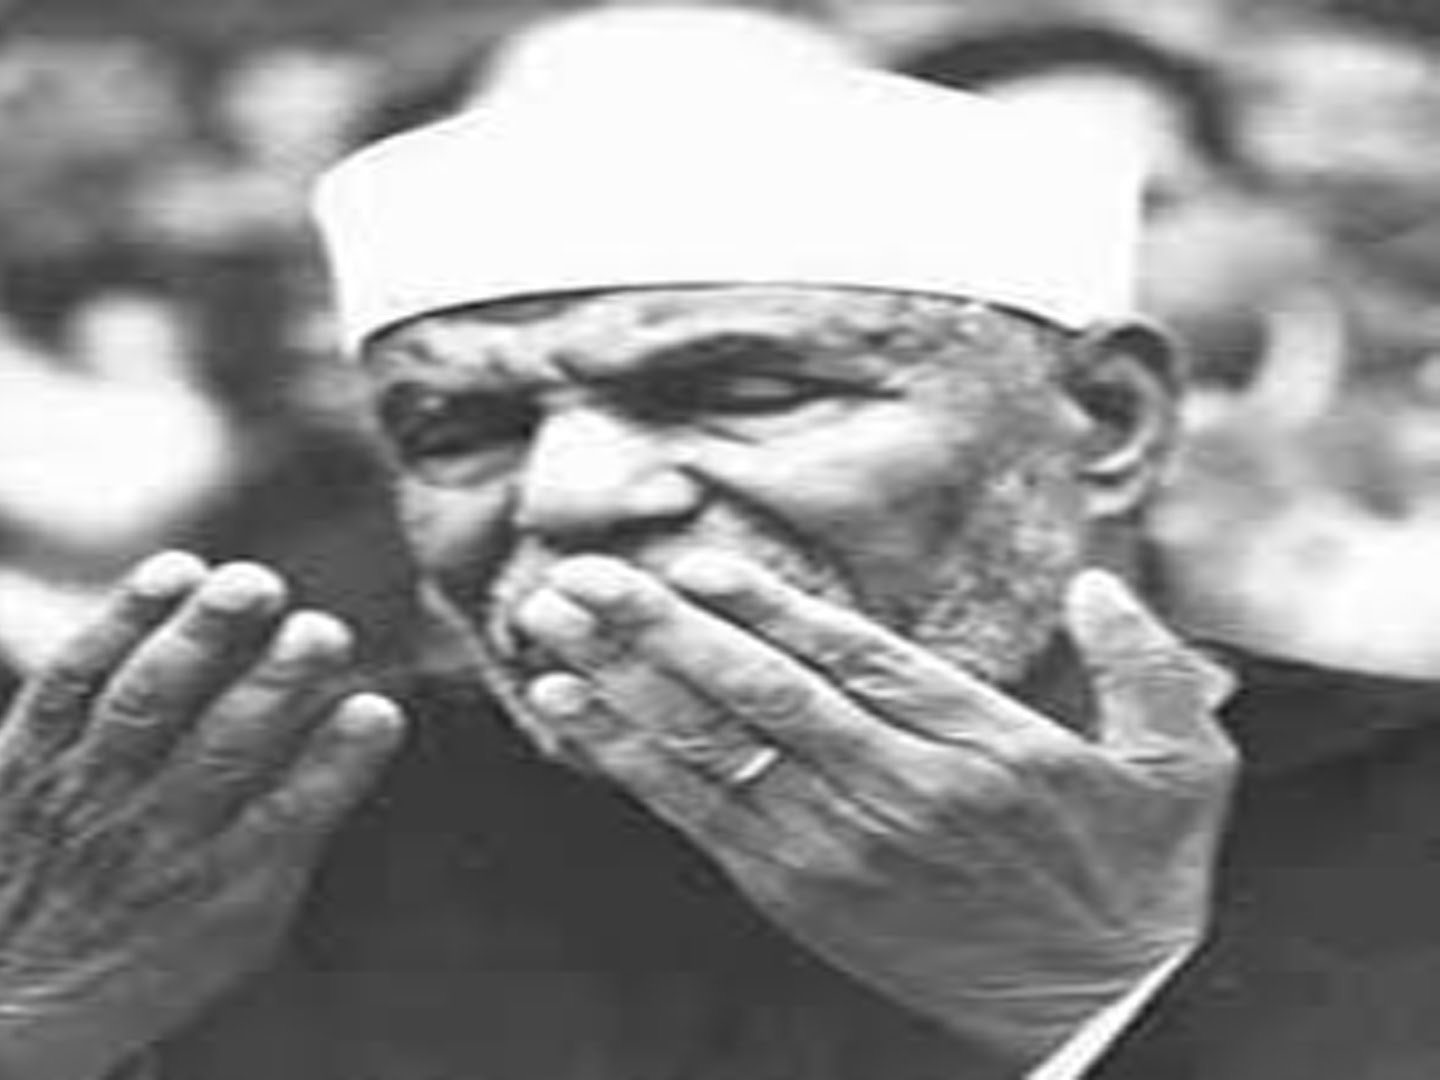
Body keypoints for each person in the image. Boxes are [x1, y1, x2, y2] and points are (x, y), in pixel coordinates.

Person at [0, 7, 1429, 1079]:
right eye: (458, 426)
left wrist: (1103, 1000)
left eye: (740, 388)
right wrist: (46, 1024)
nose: (569, 495)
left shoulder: (1402, 812)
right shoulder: (247, 844)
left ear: (1105, 419)